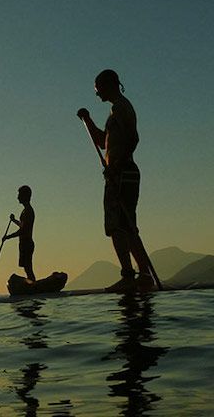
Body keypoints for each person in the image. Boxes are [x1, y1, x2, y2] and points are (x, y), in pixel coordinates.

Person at [77, 69, 157, 293]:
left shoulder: (121, 107)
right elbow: (104, 143)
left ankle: (130, 275)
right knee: (126, 225)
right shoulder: (114, 112)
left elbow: (133, 138)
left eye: (98, 89)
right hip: (120, 173)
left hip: (123, 174)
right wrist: (88, 120)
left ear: (108, 85)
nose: (96, 94)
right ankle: (143, 274)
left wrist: (117, 165)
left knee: (118, 226)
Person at [2, 185, 36, 281]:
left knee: (28, 269)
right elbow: (22, 226)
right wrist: (14, 220)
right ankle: (32, 285)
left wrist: (8, 237)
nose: (18, 197)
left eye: (19, 195)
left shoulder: (28, 211)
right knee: (27, 269)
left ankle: (33, 286)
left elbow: (23, 230)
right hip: (24, 243)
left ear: (25, 196)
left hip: (27, 243)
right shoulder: (25, 211)